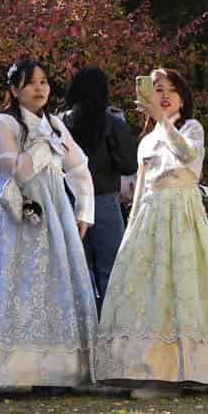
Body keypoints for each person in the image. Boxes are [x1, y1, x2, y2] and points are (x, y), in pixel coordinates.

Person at [0, 59, 99, 399]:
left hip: (52, 216)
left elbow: (79, 167)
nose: (40, 88)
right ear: (14, 89)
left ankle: (53, 370)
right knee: (3, 284)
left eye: (44, 81)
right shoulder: (2, 123)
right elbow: (13, 168)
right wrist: (42, 145)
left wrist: (84, 211)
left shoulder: (54, 124)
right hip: (8, 216)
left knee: (50, 286)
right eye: (30, 83)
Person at [92, 68, 208, 400]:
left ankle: (179, 374)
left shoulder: (192, 130)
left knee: (180, 287)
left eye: (172, 90)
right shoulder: (146, 141)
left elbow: (188, 156)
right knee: (148, 292)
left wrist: (163, 120)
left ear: (183, 99)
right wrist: (132, 228)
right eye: (157, 89)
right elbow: (141, 188)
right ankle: (148, 370)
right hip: (151, 219)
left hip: (182, 216)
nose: (165, 95)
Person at [61, 66, 140, 309]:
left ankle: (82, 326)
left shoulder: (61, 122)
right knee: (112, 269)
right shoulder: (113, 123)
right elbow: (128, 164)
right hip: (104, 200)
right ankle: (111, 329)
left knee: (77, 271)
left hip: (69, 201)